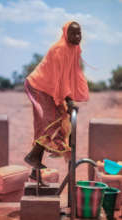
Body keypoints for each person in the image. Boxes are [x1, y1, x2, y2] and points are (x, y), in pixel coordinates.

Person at [24, 21, 89, 172]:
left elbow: (67, 77)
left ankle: (37, 167)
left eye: (79, 33)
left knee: (62, 119)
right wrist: (68, 100)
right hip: (38, 86)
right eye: (73, 33)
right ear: (66, 34)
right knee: (52, 120)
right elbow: (59, 79)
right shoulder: (60, 49)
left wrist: (68, 100)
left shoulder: (73, 49)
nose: (77, 36)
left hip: (49, 89)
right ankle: (34, 156)